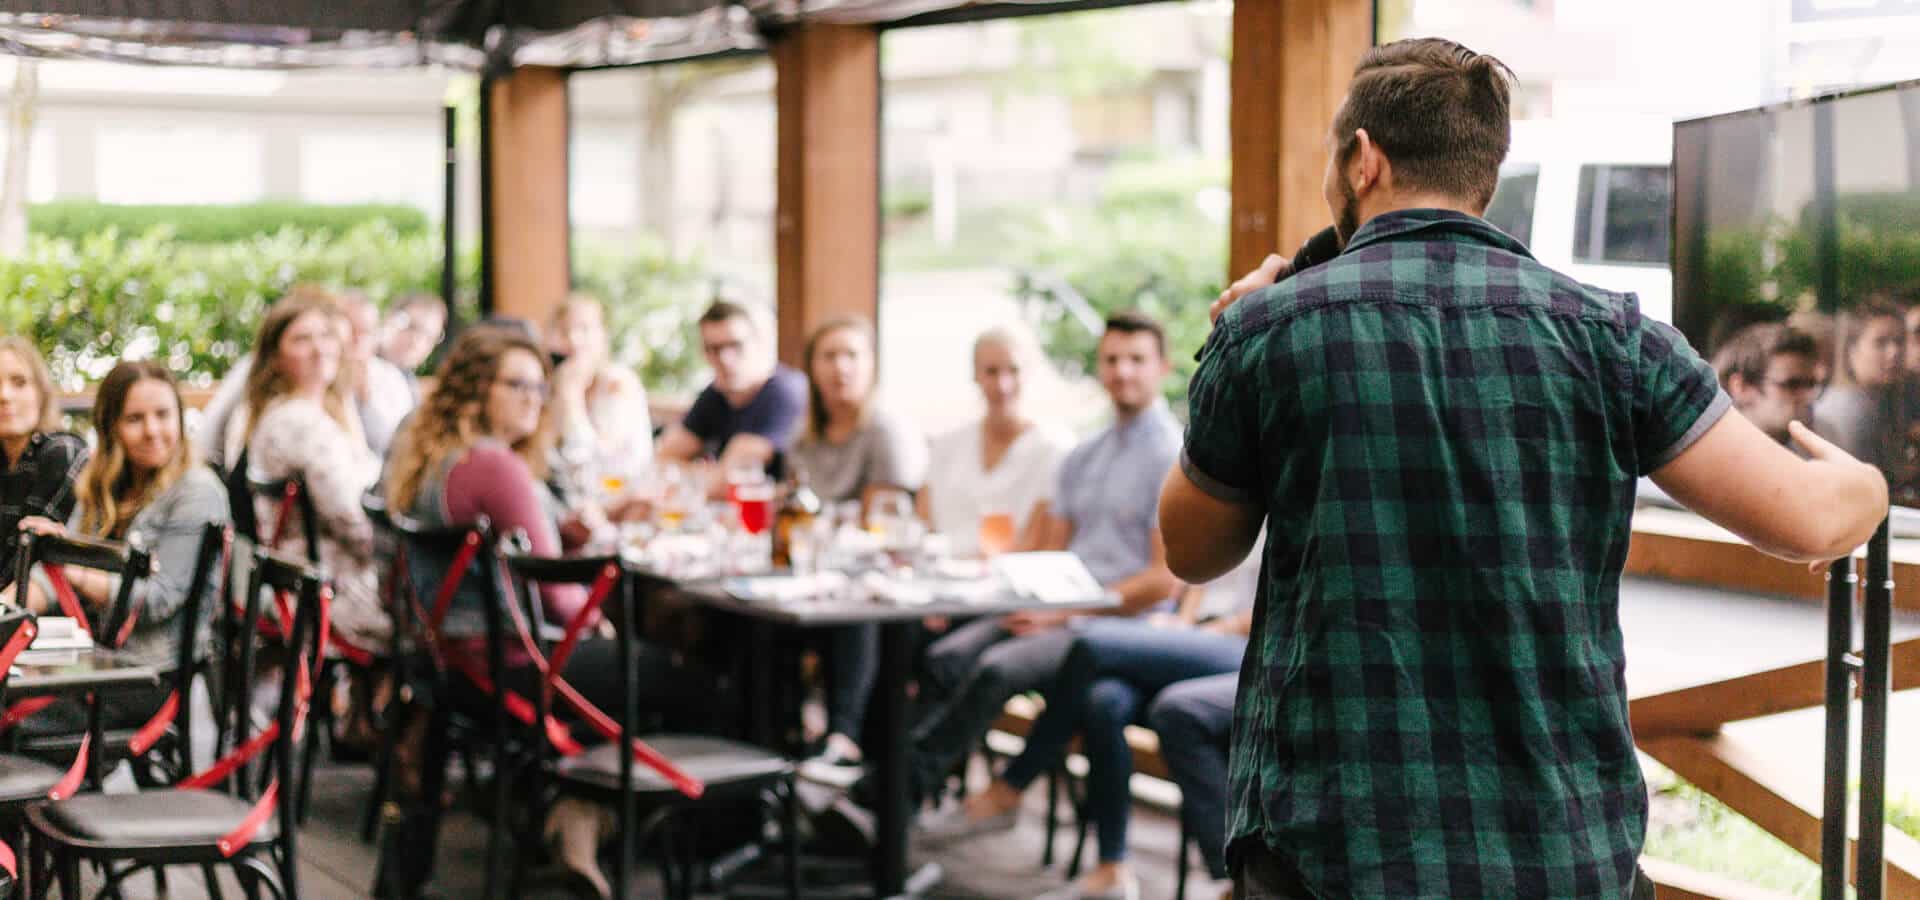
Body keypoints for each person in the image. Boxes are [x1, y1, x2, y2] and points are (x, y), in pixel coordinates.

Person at [1167, 38, 1887, 899]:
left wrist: (1233, 342)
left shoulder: (1269, 329)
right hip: (1554, 847)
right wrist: (1870, 486)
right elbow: (1811, 520)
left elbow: (1192, 548)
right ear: (1483, 171)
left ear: (1363, 159)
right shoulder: (1613, 337)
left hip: (1333, 848)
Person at [385, 325, 718, 898]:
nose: (533, 399)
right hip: (518, 668)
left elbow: (512, 549)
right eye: (516, 385)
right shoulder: (496, 466)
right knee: (690, 678)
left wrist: (567, 532)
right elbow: (557, 597)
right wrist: (601, 621)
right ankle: (683, 837)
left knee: (643, 665)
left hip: (454, 669)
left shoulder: (438, 460)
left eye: (539, 387)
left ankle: (577, 807)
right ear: (476, 391)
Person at [899, 312, 1184, 809]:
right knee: (944, 656)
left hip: (1116, 625)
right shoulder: (1084, 454)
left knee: (994, 669)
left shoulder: (1172, 456)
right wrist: (1036, 602)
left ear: (1163, 367)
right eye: (1112, 359)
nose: (1122, 371)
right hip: (1057, 611)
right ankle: (911, 790)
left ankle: (898, 791)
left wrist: (1066, 612)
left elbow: (1164, 581)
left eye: (1136, 360)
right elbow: (1053, 552)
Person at [922, 539, 1263, 900]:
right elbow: (1197, 577)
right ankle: (1111, 869)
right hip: (1186, 634)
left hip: (1234, 643)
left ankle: (1012, 783)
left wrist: (1196, 631)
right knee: (1104, 701)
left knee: (1089, 646)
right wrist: (1182, 622)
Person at [6, 360, 228, 734]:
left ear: (180, 418)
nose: (152, 430)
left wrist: (74, 570)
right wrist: (5, 610)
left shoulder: (197, 492)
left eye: (163, 415)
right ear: (112, 427)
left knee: (12, 722)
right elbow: (51, 577)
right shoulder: (102, 483)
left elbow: (157, 600)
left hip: (150, 674)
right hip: (93, 659)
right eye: (135, 419)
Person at [787, 316, 927, 765]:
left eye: (851, 355)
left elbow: (877, 522)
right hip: (814, 575)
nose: (840, 367)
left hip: (877, 583)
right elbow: (791, 513)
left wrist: (821, 523)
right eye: (829, 356)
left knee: (854, 606)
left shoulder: (885, 432)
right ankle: (778, 739)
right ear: (812, 368)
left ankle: (843, 739)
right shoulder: (802, 438)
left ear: (871, 365)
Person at [242, 289, 387, 650]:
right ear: (275, 358)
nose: (320, 348)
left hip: (312, 582)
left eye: (325, 335)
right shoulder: (300, 423)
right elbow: (353, 521)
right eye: (302, 339)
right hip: (329, 592)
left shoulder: (308, 412)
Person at [918, 324, 1072, 556]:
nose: (1002, 385)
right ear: (975, 375)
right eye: (991, 371)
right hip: (936, 569)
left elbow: (1037, 542)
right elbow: (923, 522)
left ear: (1029, 373)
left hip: (1008, 573)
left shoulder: (1053, 447)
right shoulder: (946, 445)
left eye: (1014, 370)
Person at [656, 301, 807, 475]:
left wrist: (699, 472)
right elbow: (663, 459)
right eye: (714, 349)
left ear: (757, 342)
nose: (725, 358)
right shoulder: (715, 394)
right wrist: (709, 472)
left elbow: (732, 475)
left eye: (735, 345)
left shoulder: (784, 390)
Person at [545, 293, 654, 499]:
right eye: (564, 331)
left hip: (621, 498)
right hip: (575, 496)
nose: (574, 339)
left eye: (584, 329)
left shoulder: (617, 383)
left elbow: (595, 461)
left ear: (602, 335)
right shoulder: (558, 383)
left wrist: (571, 397)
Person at [0, 337, 86, 593]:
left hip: (41, 609)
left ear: (41, 392)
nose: (4, 395)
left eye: (19, 382)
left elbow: (30, 561)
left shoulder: (62, 452)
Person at [1811, 301, 1906, 476]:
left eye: (1899, 341)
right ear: (1851, 349)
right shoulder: (1845, 410)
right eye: (1881, 343)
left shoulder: (1879, 399)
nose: (1894, 352)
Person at [1711, 321, 1823, 444]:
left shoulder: (1823, 437)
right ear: (1741, 387)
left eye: (1811, 384)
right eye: (1792, 385)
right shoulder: (1709, 449)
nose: (1809, 397)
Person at [339, 291, 418, 459]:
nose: (358, 339)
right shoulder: (318, 375)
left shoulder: (391, 378)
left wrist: (365, 395)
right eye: (351, 329)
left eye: (366, 332)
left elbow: (396, 443)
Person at [379, 293, 449, 374]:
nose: (416, 342)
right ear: (390, 319)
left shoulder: (405, 379)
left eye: (429, 337)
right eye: (412, 327)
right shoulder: (368, 363)